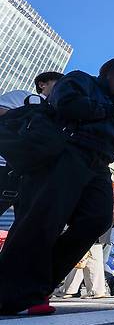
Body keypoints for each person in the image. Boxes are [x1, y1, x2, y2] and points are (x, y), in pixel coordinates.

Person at [0, 58, 114, 315]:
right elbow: (65, 104)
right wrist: (112, 111)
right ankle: (14, 292)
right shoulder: (81, 80)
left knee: (98, 220)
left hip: (99, 164)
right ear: (109, 72)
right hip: (66, 153)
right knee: (42, 221)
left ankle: (37, 285)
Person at [0, 71, 64, 219]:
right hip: (4, 166)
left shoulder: (59, 115)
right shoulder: (24, 97)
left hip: (30, 180)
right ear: (42, 84)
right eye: (58, 84)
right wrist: (30, 112)